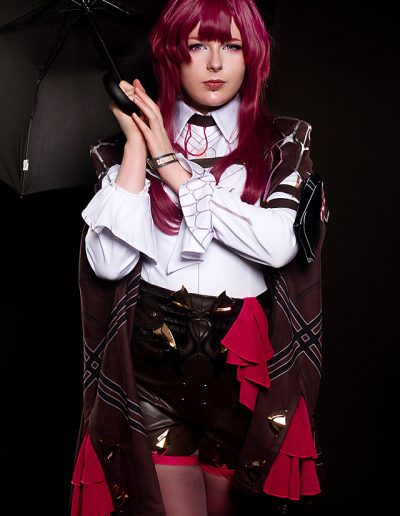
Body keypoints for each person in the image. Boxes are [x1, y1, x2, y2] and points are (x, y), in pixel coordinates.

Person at [70, 0, 328, 514]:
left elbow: (280, 245)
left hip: (239, 377)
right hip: (151, 376)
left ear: (252, 55)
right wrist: (139, 146)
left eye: (231, 45)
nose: (214, 63)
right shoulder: (121, 153)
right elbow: (107, 266)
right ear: (171, 54)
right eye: (197, 45)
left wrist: (172, 166)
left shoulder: (282, 144)